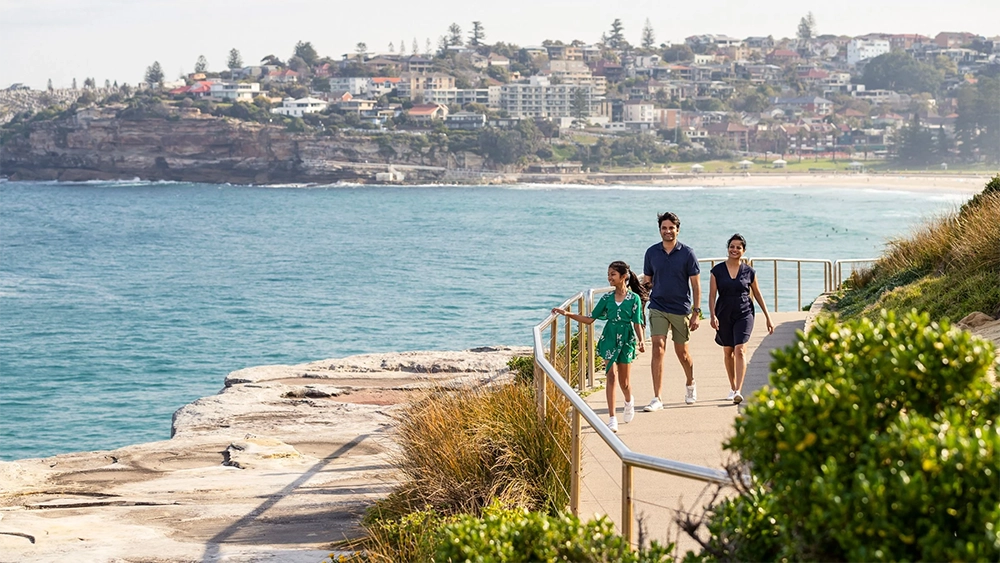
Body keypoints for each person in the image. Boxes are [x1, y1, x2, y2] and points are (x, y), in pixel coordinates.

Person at [552, 261, 646, 432]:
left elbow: (637, 321)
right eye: (608, 274)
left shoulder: (634, 299)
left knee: (624, 382)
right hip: (609, 337)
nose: (609, 277)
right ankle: (612, 418)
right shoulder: (606, 298)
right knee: (610, 376)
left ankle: (628, 401)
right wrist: (568, 314)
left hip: (626, 339)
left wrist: (641, 340)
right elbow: (590, 318)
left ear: (623, 277)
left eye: (613, 274)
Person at [642, 212, 701, 411]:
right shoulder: (651, 253)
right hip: (658, 306)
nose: (667, 231)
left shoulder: (688, 253)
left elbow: (696, 285)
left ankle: (690, 382)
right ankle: (657, 397)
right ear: (659, 230)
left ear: (677, 229)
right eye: (664, 228)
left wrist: (696, 312)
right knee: (658, 347)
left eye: (671, 228)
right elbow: (647, 282)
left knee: (682, 353)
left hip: (681, 308)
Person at [708, 234, 774, 404]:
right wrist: (712, 315)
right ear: (728, 248)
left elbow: (757, 294)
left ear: (743, 251)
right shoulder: (717, 271)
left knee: (740, 350)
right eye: (732, 246)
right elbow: (712, 295)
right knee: (728, 351)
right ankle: (732, 387)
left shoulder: (749, 272)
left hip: (744, 313)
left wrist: (768, 317)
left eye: (738, 247)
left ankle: (738, 389)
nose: (734, 250)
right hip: (723, 313)